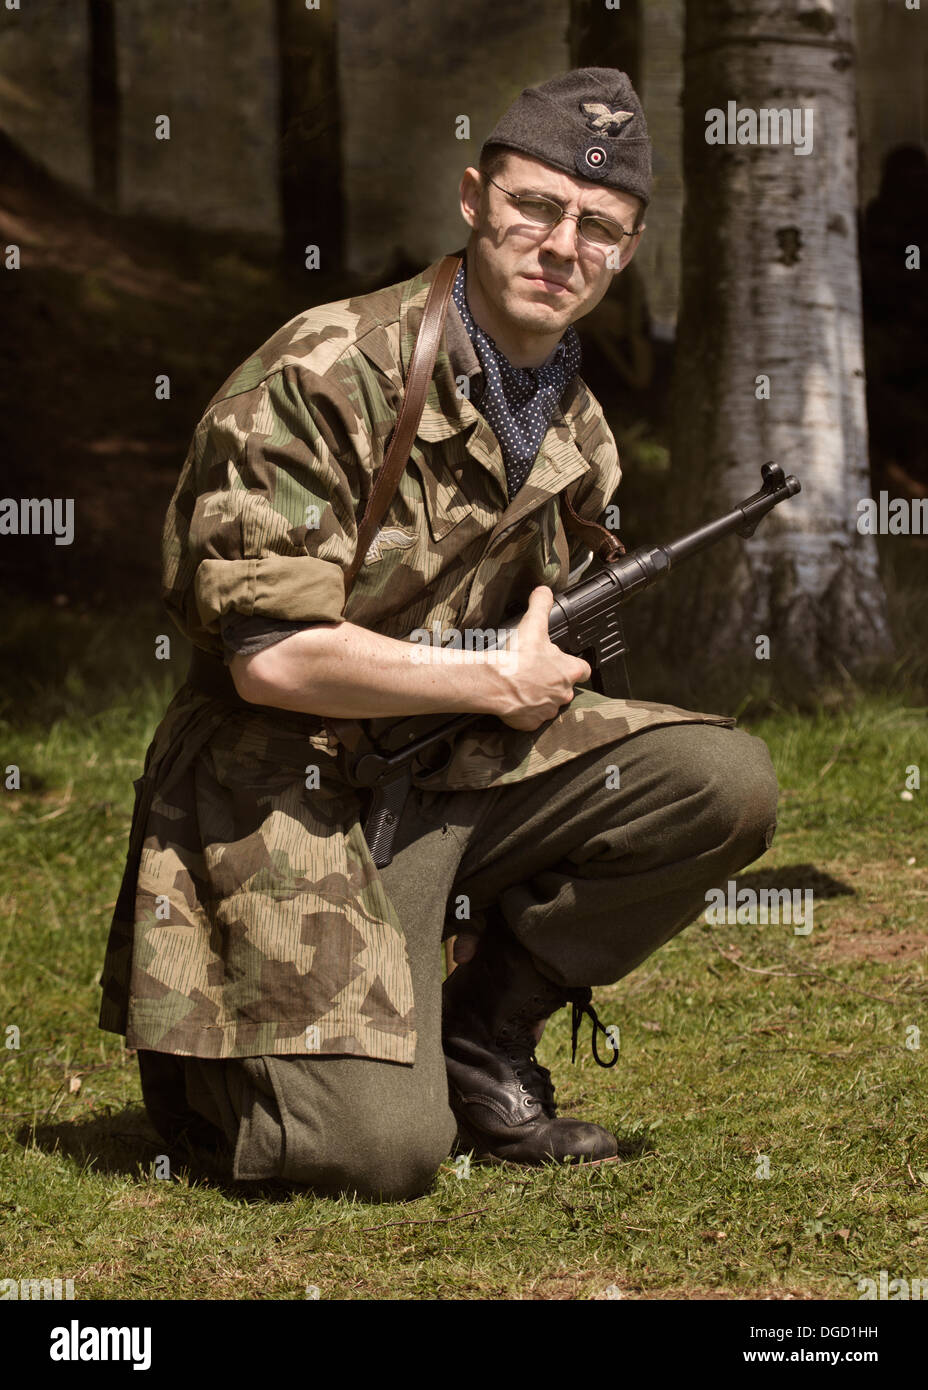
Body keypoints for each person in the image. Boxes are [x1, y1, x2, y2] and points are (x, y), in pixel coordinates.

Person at [99, 68, 778, 1199]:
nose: (563, 244)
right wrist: (490, 678)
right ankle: (206, 1073)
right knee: (376, 1157)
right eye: (537, 206)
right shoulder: (327, 370)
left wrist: (541, 675)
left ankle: (474, 1040)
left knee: (718, 779)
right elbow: (270, 659)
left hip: (442, 776)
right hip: (282, 784)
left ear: (627, 249)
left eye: (598, 227)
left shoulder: (575, 424)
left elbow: (537, 650)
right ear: (474, 199)